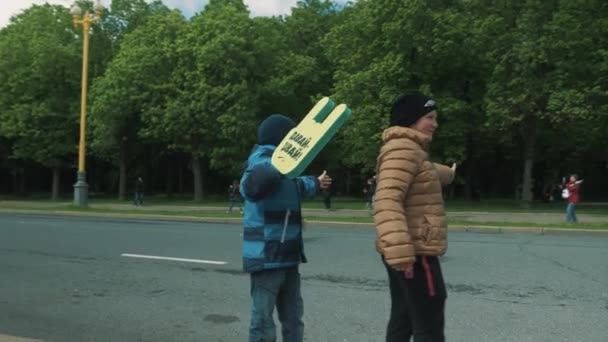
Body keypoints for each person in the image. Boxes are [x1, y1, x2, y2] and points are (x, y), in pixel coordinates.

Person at [240, 114, 332, 342]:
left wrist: (315, 182)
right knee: (262, 321)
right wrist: (279, 161)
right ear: (284, 139)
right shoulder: (261, 160)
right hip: (267, 257)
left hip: (288, 257)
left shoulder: (286, 169)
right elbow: (250, 187)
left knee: (293, 318)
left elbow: (295, 185)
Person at [374, 92, 456, 342]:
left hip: (406, 248)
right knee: (429, 321)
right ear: (410, 120)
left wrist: (449, 174)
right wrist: (402, 253)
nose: (435, 123)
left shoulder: (409, 150)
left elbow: (426, 172)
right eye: (429, 117)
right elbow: (387, 198)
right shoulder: (404, 150)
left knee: (404, 317)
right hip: (413, 251)